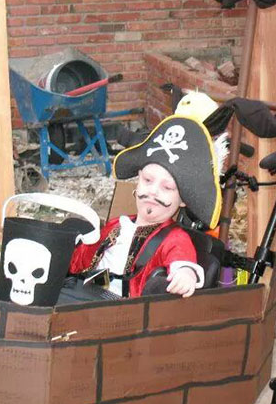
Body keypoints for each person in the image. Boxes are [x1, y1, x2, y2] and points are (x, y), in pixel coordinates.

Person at [69, 114, 222, 298]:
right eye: (148, 180)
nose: (153, 192)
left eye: (167, 187)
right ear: (138, 180)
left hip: (121, 310)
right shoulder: (117, 224)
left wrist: (185, 274)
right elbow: (81, 260)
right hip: (84, 293)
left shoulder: (174, 239)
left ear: (182, 200)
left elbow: (181, 258)